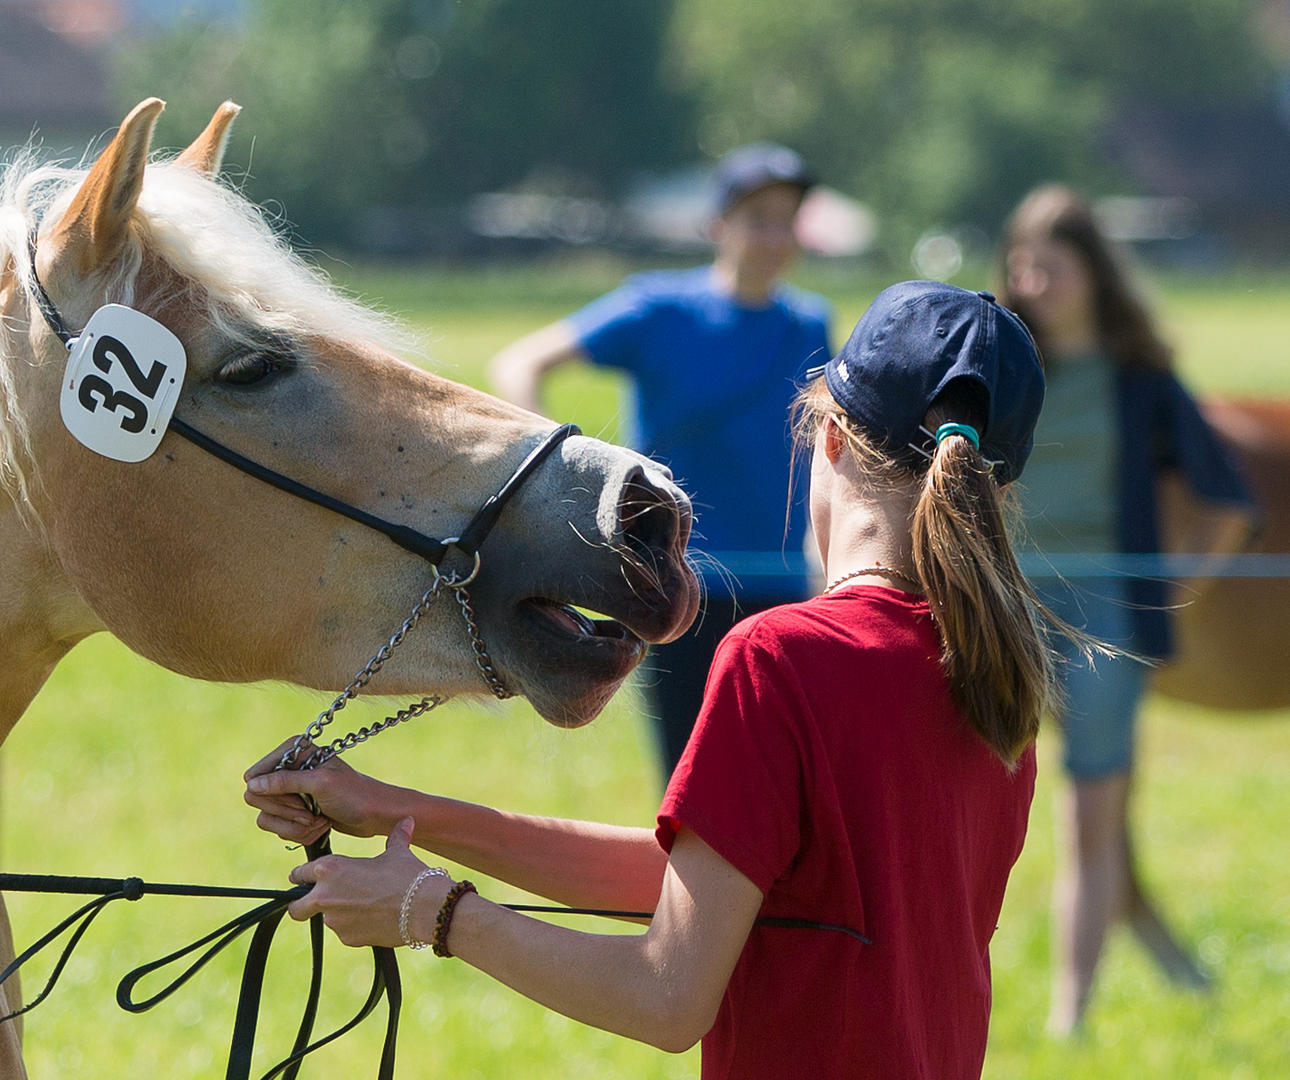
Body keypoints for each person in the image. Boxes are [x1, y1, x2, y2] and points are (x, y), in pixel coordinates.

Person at [247, 283, 1056, 1078]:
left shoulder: (781, 657)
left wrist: (431, 911)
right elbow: (713, 892)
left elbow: (667, 997)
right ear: (997, 488)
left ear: (831, 439)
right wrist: (402, 813)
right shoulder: (996, 678)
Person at [999, 185, 1257, 1035]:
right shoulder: (1000, 370)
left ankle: (1069, 1015)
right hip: (1002, 616)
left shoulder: (1140, 378)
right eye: (1022, 265)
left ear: (1094, 273)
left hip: (1104, 623)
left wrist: (1172, 592)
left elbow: (1227, 503)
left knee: (1087, 814)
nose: (1033, 280)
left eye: (1052, 265)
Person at [488, 143, 831, 778]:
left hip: (781, 591)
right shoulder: (657, 309)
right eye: (758, 218)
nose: (774, 236)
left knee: (781, 785)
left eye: (788, 219)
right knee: (693, 784)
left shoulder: (810, 323)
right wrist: (558, 477)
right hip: (677, 589)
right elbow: (519, 363)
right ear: (718, 227)